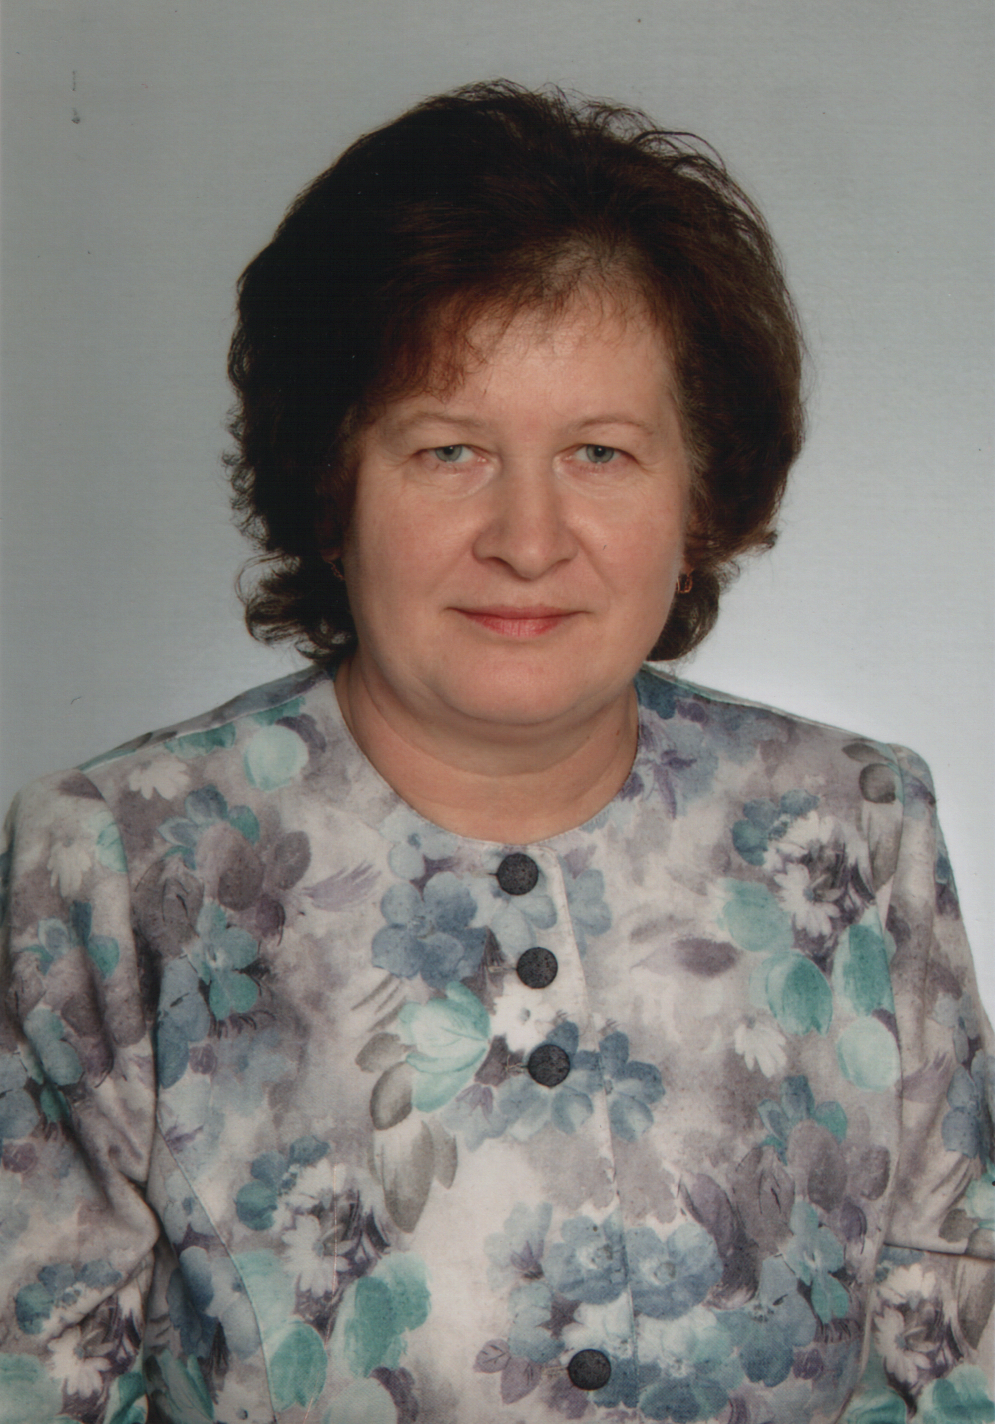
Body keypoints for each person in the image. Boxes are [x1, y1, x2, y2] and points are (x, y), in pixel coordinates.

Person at [0, 81, 991, 1424]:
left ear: (700, 496)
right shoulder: (112, 864)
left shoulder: (859, 822)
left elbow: (951, 1367)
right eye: (450, 449)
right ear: (332, 484)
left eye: (600, 453)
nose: (527, 540)